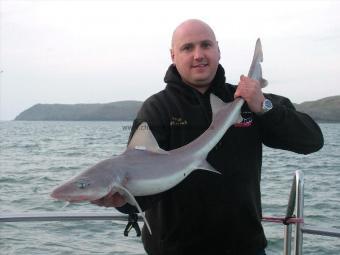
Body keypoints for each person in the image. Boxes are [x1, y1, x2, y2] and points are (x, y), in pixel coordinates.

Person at [92, 19, 324, 254]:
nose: (198, 54)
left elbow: (312, 141)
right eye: (187, 48)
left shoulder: (246, 100)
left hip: (244, 247)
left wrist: (263, 106)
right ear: (173, 55)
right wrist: (124, 201)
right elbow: (142, 180)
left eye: (206, 45)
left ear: (218, 50)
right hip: (175, 249)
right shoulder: (157, 109)